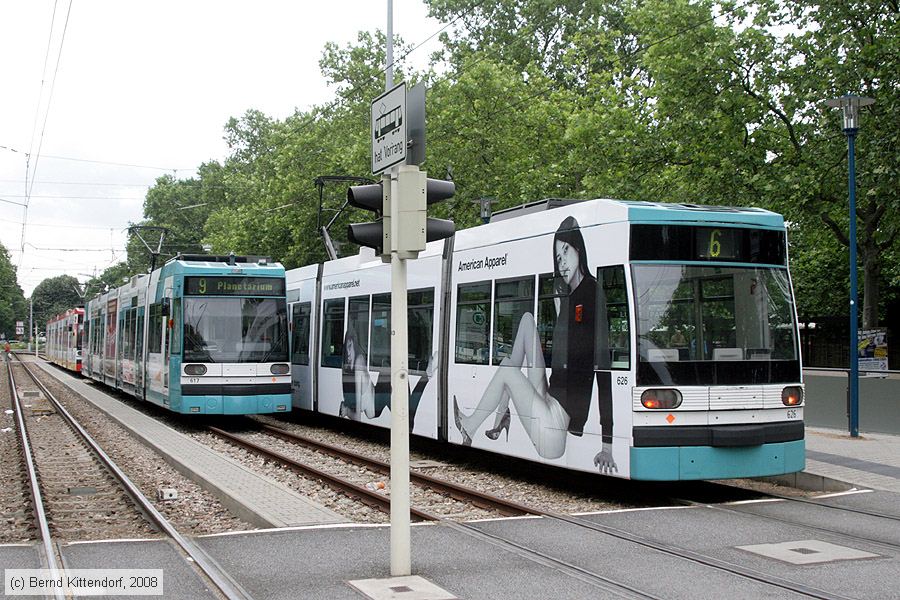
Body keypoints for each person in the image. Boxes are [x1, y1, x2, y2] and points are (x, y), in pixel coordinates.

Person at [454, 216, 616, 472]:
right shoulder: (568, 296)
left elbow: (603, 367)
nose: (562, 261)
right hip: (550, 398)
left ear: (579, 249)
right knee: (528, 321)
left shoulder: (593, 292)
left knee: (508, 368)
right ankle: (501, 415)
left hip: (554, 429)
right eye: (558, 257)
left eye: (566, 251)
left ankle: (471, 425)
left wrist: (607, 445)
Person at [340, 326, 434, 430]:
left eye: (350, 346)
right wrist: (347, 410)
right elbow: (358, 414)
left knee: (396, 374)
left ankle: (426, 375)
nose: (348, 352)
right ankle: (426, 375)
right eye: (346, 348)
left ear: (355, 345)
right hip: (376, 403)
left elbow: (358, 413)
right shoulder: (354, 364)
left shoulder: (358, 361)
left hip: (376, 401)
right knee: (397, 376)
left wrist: (347, 411)